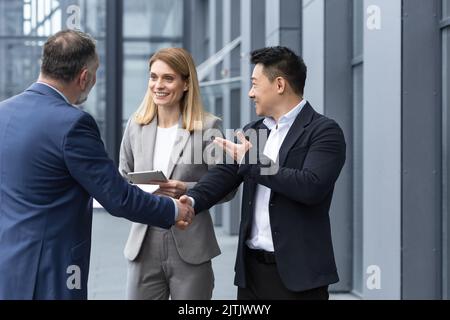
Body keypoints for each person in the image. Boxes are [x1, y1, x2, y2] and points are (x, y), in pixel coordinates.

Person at [0, 30, 194, 300]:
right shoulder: (73, 124)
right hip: (51, 272)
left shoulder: (3, 112)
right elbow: (117, 197)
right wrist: (174, 209)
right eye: (95, 73)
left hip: (7, 264)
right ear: (83, 77)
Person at [183, 46, 346, 300]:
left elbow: (311, 186)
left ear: (279, 84)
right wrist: (190, 200)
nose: (250, 93)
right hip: (251, 275)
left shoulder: (324, 131)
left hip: (299, 278)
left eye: (255, 84)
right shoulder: (255, 130)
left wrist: (252, 161)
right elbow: (226, 174)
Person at [120, 48, 235, 300]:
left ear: (185, 83)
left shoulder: (208, 127)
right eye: (153, 77)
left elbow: (227, 187)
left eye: (168, 78)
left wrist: (186, 188)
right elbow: (123, 179)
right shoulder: (135, 125)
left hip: (191, 243)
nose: (158, 85)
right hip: (144, 241)